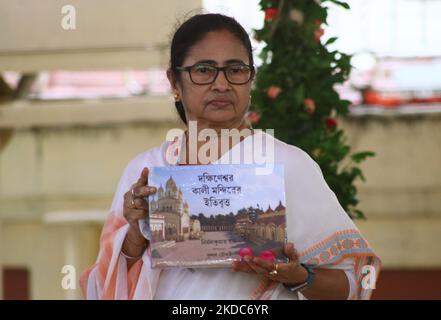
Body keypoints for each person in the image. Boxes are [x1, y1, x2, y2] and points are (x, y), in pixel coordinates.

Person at [80, 13, 381, 300]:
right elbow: (101, 287)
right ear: (174, 82)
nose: (221, 84)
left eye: (236, 70)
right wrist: (135, 234)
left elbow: (359, 280)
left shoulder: (287, 165)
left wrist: (296, 275)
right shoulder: (147, 170)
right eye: (204, 70)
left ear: (251, 79)